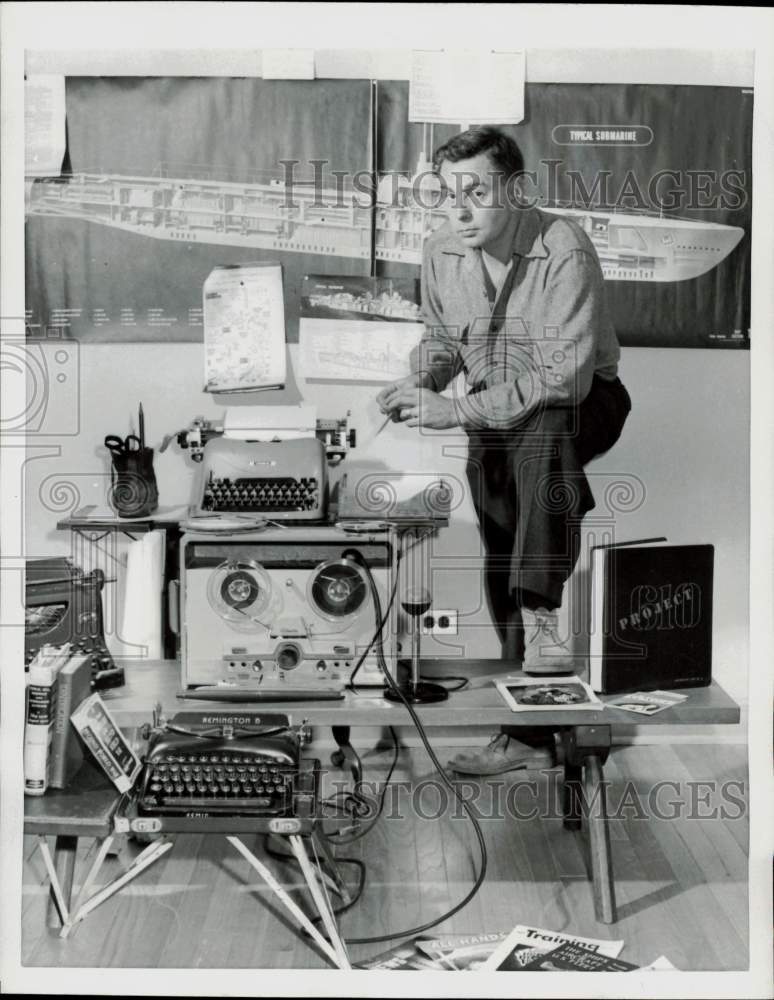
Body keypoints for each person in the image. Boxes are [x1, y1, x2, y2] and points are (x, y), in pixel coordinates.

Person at [376, 126, 631, 776]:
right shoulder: (442, 250)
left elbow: (561, 379)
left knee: (545, 435)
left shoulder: (562, 248)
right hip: (496, 409)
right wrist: (421, 379)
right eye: (447, 194)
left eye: (477, 193)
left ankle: (544, 617)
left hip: (581, 403)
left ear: (516, 190)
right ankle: (532, 734)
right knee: (502, 547)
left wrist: (455, 408)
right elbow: (441, 335)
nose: (458, 211)